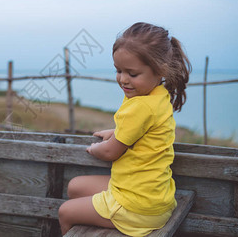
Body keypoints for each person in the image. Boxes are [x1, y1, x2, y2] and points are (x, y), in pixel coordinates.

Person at [58, 22, 191, 236]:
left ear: (160, 70)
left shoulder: (140, 106)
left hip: (137, 206)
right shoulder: (158, 97)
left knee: (65, 212)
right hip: (154, 197)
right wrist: (116, 133)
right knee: (75, 186)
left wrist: (95, 149)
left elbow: (110, 152)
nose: (122, 79)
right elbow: (145, 130)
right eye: (118, 70)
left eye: (132, 73)